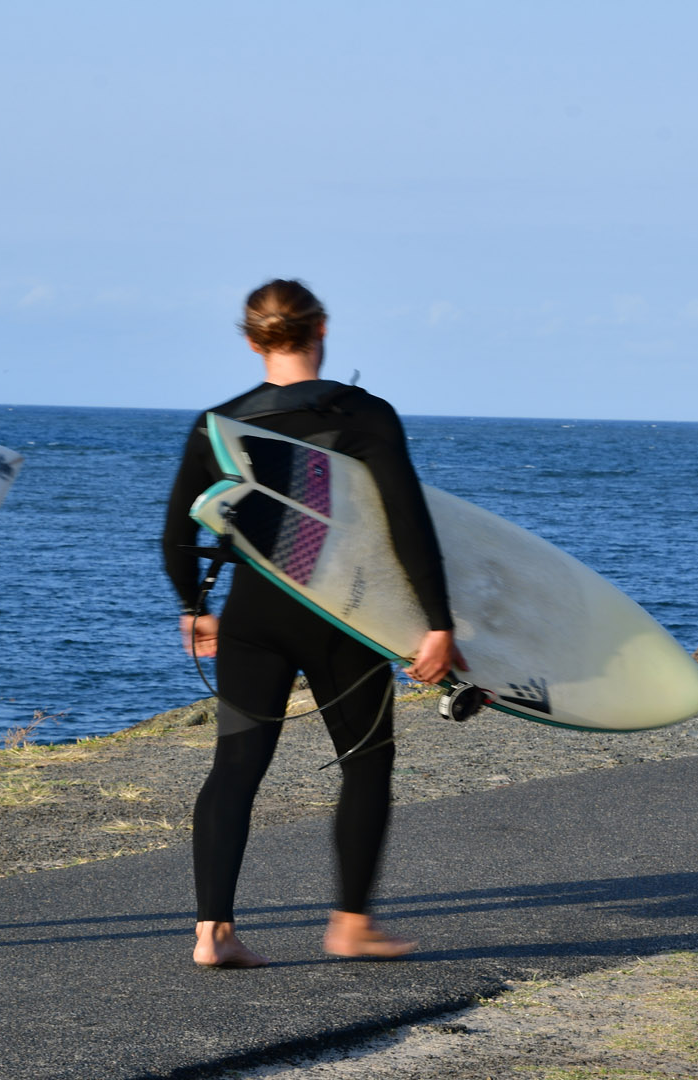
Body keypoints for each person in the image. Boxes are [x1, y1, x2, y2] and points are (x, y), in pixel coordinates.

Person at [161, 279, 465, 968]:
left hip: (251, 619)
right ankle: (350, 925)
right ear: (321, 328)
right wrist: (437, 622)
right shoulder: (364, 415)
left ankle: (213, 933)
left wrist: (194, 608)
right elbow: (407, 527)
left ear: (250, 339)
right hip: (341, 619)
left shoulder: (219, 424)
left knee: (235, 768)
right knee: (365, 761)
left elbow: (176, 536)